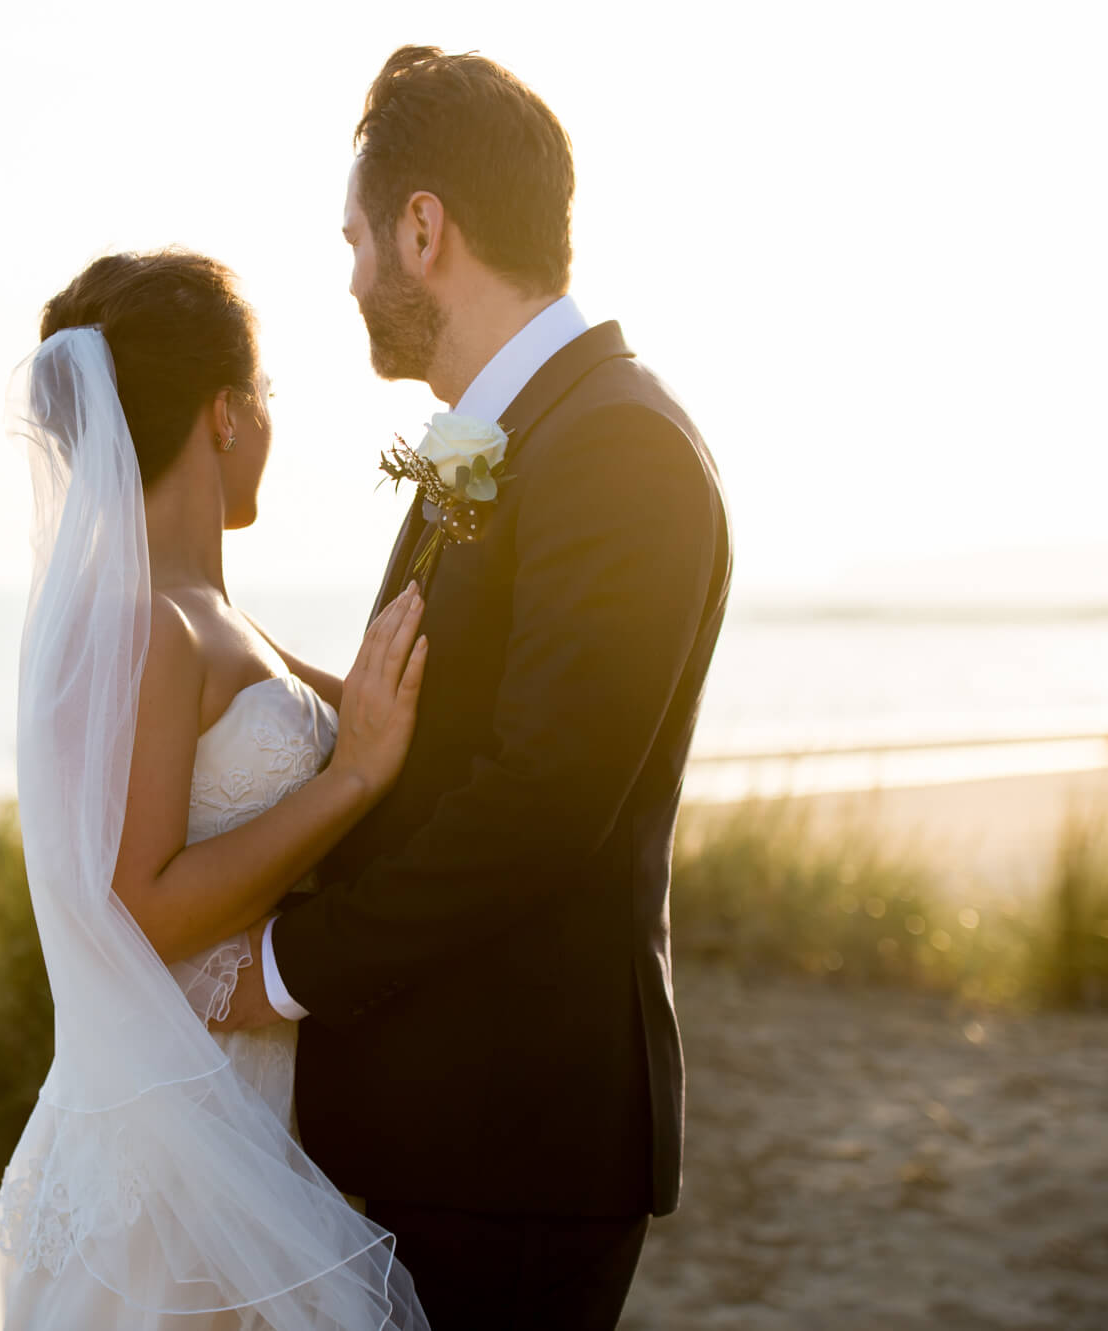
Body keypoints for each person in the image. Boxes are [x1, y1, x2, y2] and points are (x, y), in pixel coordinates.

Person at [213, 45, 735, 1330]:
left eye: (355, 241)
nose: (347, 279)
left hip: (512, 1146)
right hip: (437, 1126)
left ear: (422, 227)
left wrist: (285, 966)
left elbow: (542, 799)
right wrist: (228, 664)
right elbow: (442, 727)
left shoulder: (616, 446)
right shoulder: (507, 438)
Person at [0, 251, 434, 1329]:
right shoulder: (147, 620)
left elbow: (376, 710)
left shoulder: (208, 609)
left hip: (238, 1111)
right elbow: (138, 901)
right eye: (264, 394)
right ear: (223, 414)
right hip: (172, 1153)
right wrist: (355, 776)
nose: (271, 420)